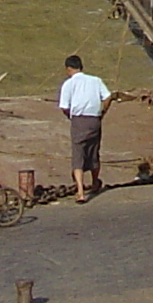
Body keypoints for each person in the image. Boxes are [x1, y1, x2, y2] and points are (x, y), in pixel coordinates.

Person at [58, 53, 111, 204]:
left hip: (79, 120)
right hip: (94, 120)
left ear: (68, 69)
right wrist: (102, 112)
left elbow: (64, 107)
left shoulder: (68, 84)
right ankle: (95, 182)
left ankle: (80, 192)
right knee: (94, 152)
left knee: (78, 156)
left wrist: (71, 116)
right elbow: (108, 97)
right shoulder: (96, 80)